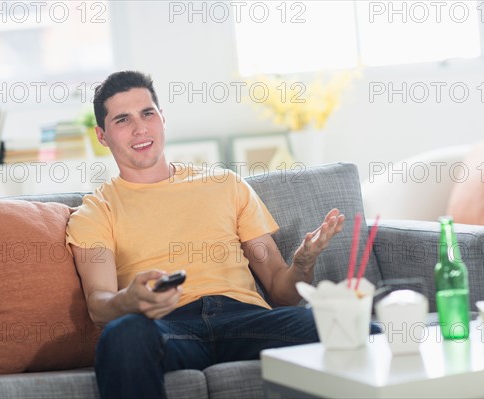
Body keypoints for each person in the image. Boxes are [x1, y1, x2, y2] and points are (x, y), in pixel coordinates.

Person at [66, 71, 346, 399]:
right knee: (122, 337)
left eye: (147, 113)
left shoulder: (225, 184)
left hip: (246, 319)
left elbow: (282, 292)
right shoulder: (96, 210)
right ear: (102, 135)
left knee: (354, 331)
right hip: (169, 326)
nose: (140, 128)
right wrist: (128, 300)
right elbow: (98, 305)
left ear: (162, 118)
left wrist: (301, 265)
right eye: (123, 120)